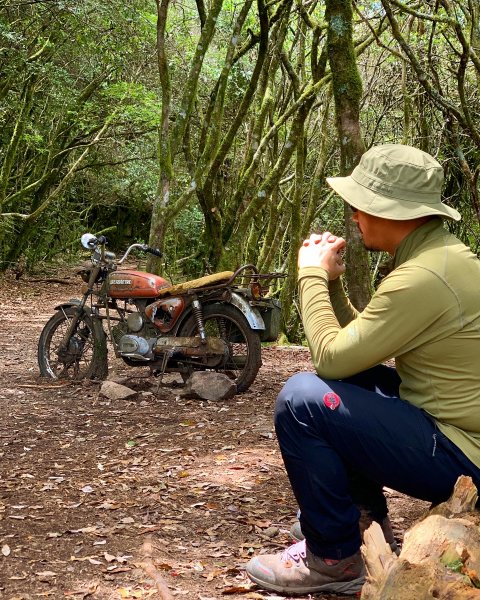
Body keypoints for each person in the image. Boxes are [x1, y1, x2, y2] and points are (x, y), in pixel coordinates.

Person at [245, 144, 480, 595]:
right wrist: (332, 286)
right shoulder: (442, 258)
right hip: (453, 431)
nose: (354, 215)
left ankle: (333, 558)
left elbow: (330, 356)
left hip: (463, 455)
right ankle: (361, 521)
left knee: (301, 401)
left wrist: (310, 275)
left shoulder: (424, 277)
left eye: (362, 205)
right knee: (345, 383)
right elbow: (358, 349)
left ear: (396, 212)